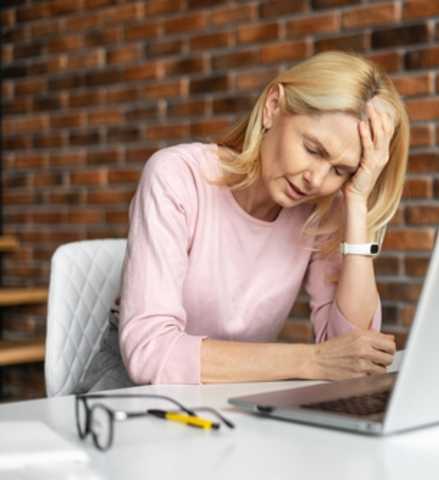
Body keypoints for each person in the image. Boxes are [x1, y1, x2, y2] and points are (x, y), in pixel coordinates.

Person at [77, 51, 410, 392]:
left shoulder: (320, 211)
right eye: (313, 149)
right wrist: (310, 359)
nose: (316, 178)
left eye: (341, 170)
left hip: (235, 390)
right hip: (132, 393)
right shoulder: (177, 175)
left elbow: (353, 357)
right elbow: (150, 352)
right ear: (273, 106)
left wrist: (356, 202)